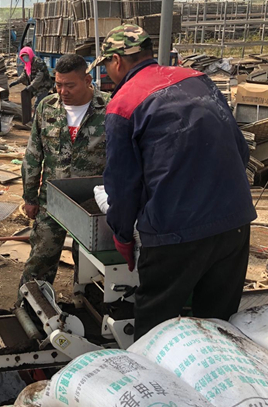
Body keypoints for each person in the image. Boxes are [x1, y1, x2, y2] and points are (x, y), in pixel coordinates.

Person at [94, 24, 256, 340]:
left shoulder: (124, 103)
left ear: (116, 61)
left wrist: (123, 236)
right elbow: (240, 149)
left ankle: (156, 371)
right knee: (219, 327)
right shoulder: (198, 80)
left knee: (156, 331)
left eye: (107, 66)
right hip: (234, 224)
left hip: (174, 232)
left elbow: (123, 186)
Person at [19, 54, 110, 296]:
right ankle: (30, 303)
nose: (62, 91)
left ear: (87, 80)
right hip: (52, 199)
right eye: (58, 84)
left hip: (92, 201)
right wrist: (30, 197)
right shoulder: (47, 107)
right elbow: (33, 154)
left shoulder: (109, 108)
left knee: (91, 260)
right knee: (41, 255)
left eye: (70, 85)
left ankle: (87, 302)